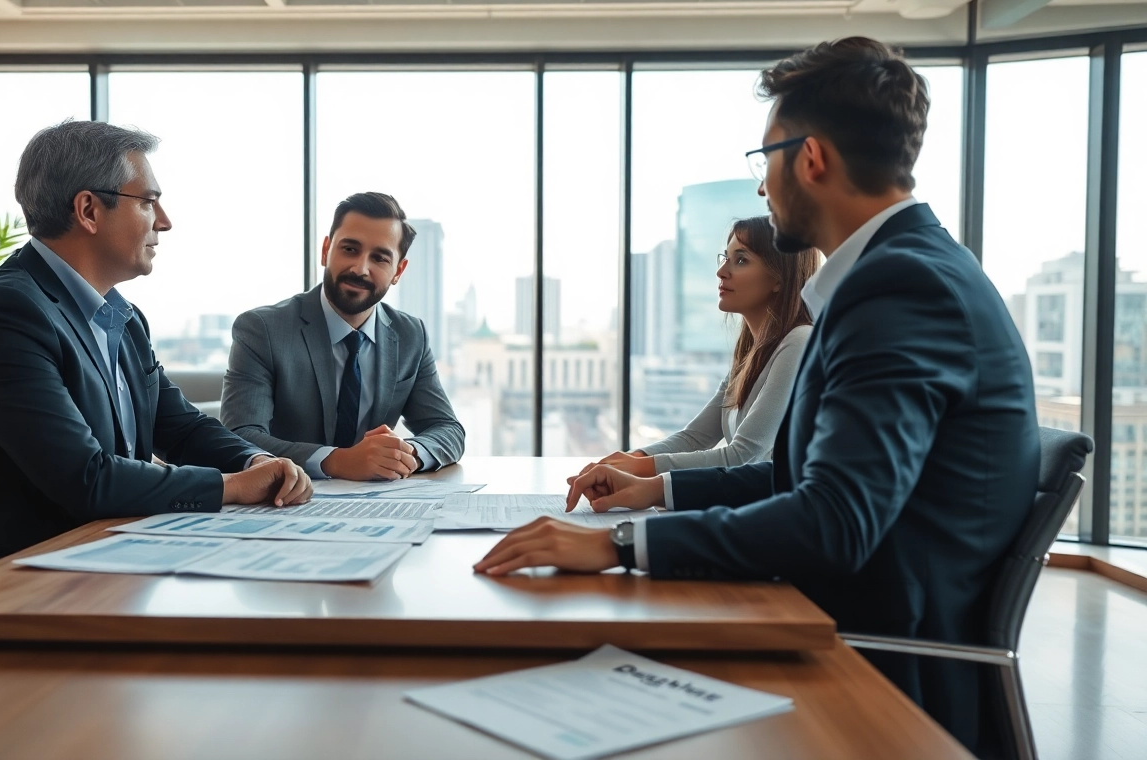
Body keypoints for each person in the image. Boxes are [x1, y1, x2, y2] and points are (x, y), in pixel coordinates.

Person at [475, 37, 1039, 755]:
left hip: (877, 674)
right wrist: (651, 501)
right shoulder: (901, 274)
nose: (762, 186)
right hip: (836, 623)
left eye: (764, 160)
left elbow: (836, 520)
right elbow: (796, 478)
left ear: (810, 159)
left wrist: (621, 546)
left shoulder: (901, 288)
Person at [0, 121, 311, 572]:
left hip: (108, 555)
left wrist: (259, 460)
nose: (165, 221)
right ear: (89, 210)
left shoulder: (121, 317)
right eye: (149, 202)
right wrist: (231, 486)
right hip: (18, 580)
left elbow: (181, 428)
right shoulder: (5, 315)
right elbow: (85, 478)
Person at [220, 192, 465, 481]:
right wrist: (337, 461)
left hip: (379, 507)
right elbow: (240, 435)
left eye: (379, 258)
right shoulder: (262, 329)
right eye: (350, 249)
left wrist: (406, 454)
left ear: (398, 270)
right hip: (282, 503)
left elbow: (448, 428)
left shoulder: (410, 335)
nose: (360, 269)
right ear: (326, 250)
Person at [585, 215, 815, 478]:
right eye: (725, 258)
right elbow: (694, 438)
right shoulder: (751, 354)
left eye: (741, 260)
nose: (721, 272)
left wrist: (638, 469)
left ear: (779, 278)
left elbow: (743, 456)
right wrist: (628, 460)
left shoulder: (799, 342)